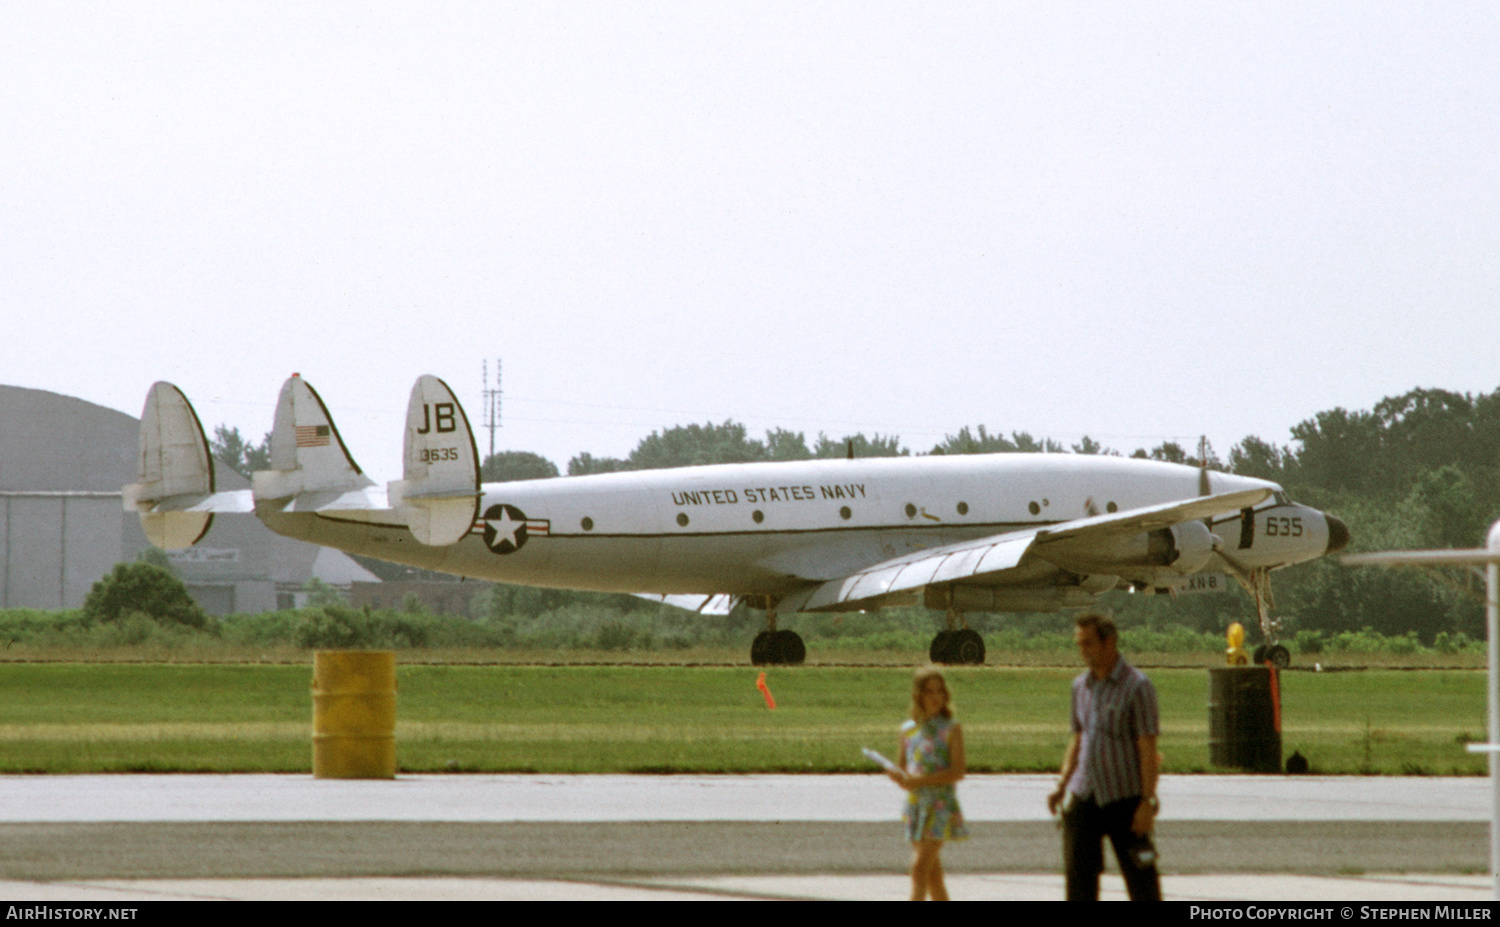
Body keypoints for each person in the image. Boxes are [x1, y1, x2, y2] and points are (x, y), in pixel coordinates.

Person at [1046, 613, 1162, 901]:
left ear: (1108, 642)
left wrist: (1147, 802)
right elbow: (1078, 738)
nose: (1082, 651)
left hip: (1124, 797)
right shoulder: (1080, 686)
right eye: (1079, 644)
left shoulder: (1137, 686)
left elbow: (1148, 749)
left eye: (1088, 643)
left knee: (1142, 881)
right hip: (1085, 794)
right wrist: (1062, 785)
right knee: (1079, 881)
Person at [888, 666, 967, 900]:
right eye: (929, 692)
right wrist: (898, 777)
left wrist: (921, 781)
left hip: (940, 806)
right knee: (933, 876)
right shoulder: (907, 730)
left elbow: (958, 771)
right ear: (918, 695)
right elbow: (903, 768)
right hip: (915, 806)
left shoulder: (951, 728)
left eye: (939, 691)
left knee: (919, 868)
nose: (935, 697)